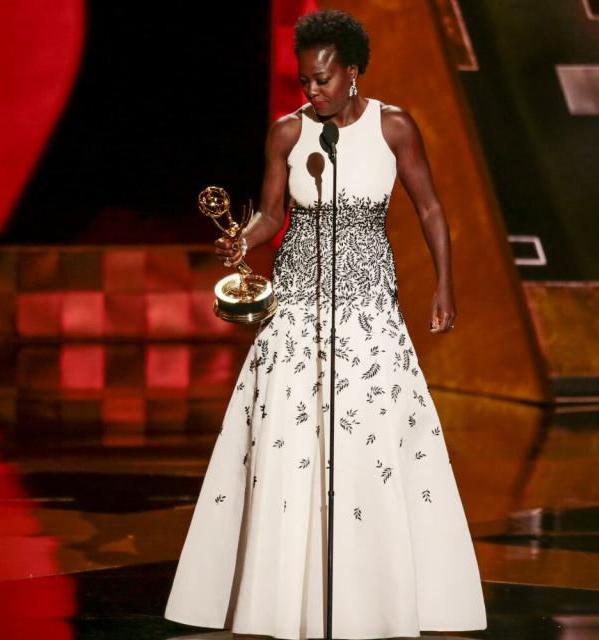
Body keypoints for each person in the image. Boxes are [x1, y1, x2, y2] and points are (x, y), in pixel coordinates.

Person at [164, 9, 486, 639]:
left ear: (352, 73)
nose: (312, 92)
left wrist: (444, 283)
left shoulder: (394, 127)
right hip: (300, 305)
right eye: (304, 81)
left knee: (371, 439)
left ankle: (379, 595)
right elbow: (273, 213)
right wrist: (244, 242)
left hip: (367, 304)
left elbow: (431, 207)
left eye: (323, 80)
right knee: (289, 437)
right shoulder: (287, 134)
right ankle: (286, 593)